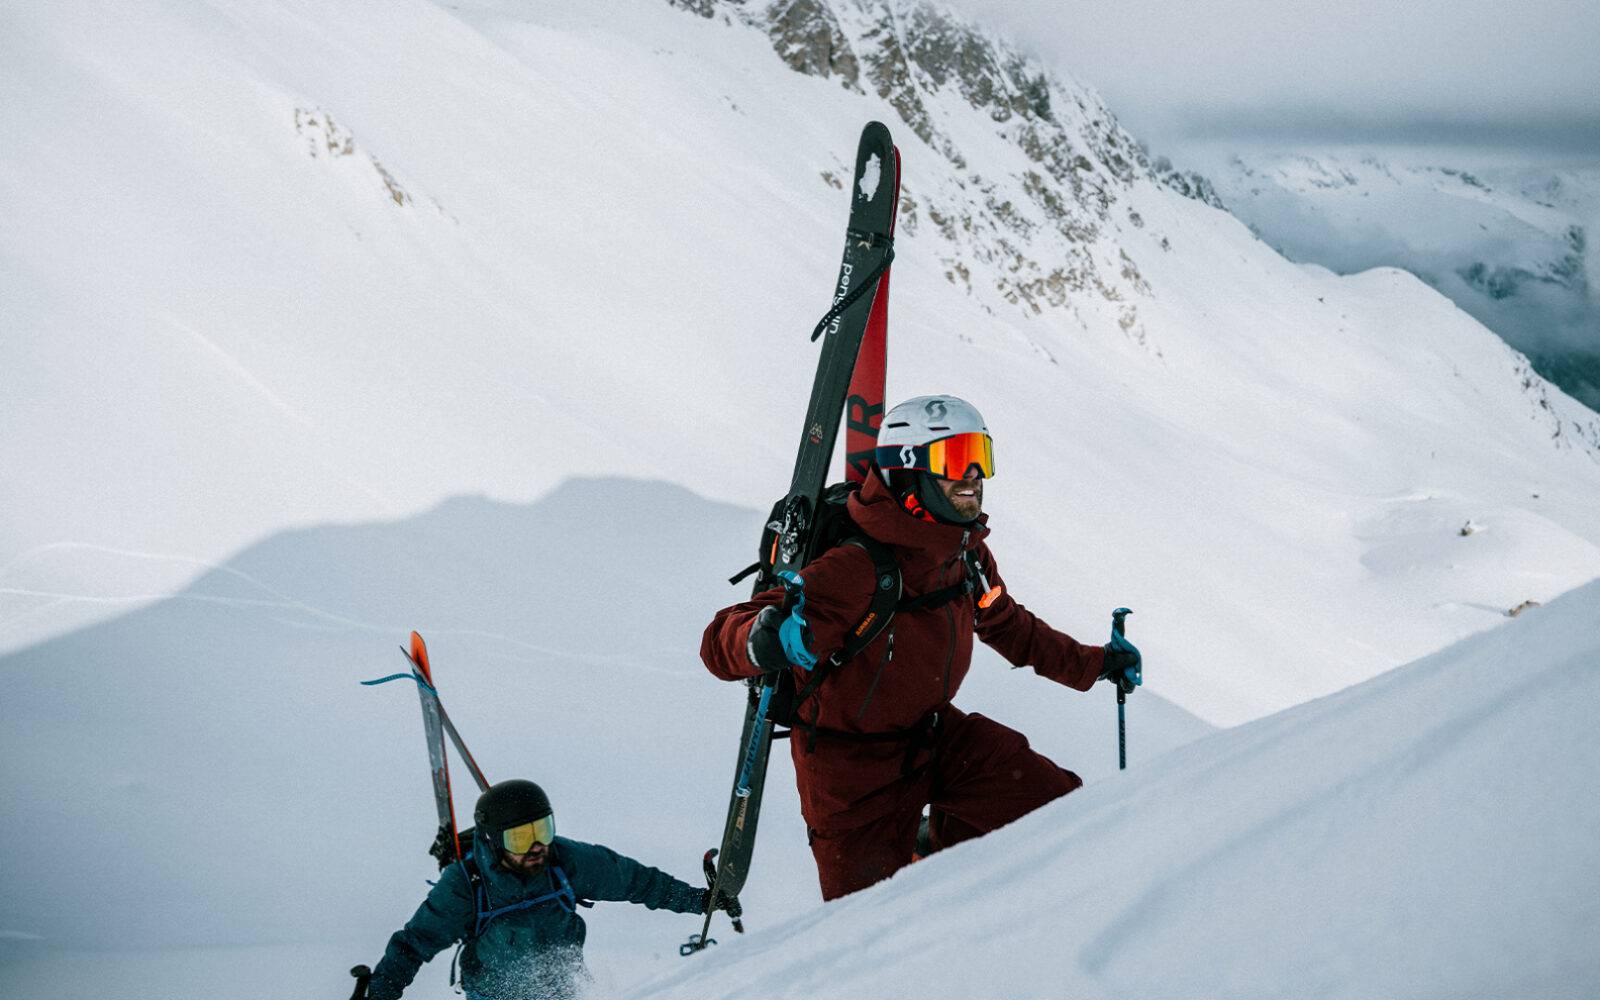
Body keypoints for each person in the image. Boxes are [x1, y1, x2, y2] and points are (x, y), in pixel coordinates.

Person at [700, 395, 1141, 900]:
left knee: (1058, 811)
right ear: (907, 471)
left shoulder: (964, 552)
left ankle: (933, 846)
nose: (973, 475)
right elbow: (719, 639)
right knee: (866, 926)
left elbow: (1007, 624)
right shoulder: (857, 567)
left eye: (981, 456)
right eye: (955, 460)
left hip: (935, 737)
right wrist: (762, 638)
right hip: (852, 778)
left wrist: (1096, 664)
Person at [365, 779, 737, 1000]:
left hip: (563, 990)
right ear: (494, 841)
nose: (536, 847)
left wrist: (700, 900)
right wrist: (379, 994)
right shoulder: (465, 885)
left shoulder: (565, 861)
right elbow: (413, 944)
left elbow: (636, 882)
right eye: (521, 837)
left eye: (542, 830)